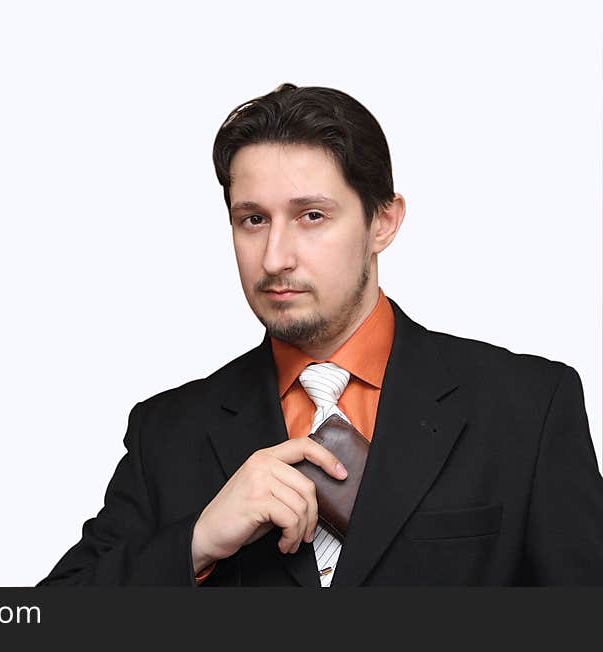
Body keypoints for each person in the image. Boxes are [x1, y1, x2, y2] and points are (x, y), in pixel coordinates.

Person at [36, 83, 603, 586]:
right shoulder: (168, 433)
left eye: (311, 216)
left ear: (383, 221)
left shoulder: (529, 407)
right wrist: (196, 544)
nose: (276, 257)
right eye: (252, 219)